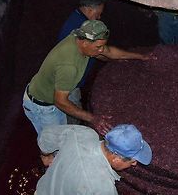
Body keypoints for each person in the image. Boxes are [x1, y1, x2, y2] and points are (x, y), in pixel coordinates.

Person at [23, 20, 153, 136]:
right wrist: (93, 119)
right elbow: (60, 102)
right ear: (84, 42)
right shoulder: (69, 66)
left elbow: (109, 52)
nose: (101, 50)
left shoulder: (79, 37)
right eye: (98, 47)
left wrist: (141, 56)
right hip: (42, 107)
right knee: (55, 145)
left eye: (103, 45)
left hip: (53, 95)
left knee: (65, 133)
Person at [33, 124, 152, 195]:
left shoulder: (81, 134)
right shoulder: (104, 192)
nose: (135, 163)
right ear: (116, 159)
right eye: (132, 161)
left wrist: (46, 155)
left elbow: (46, 135)